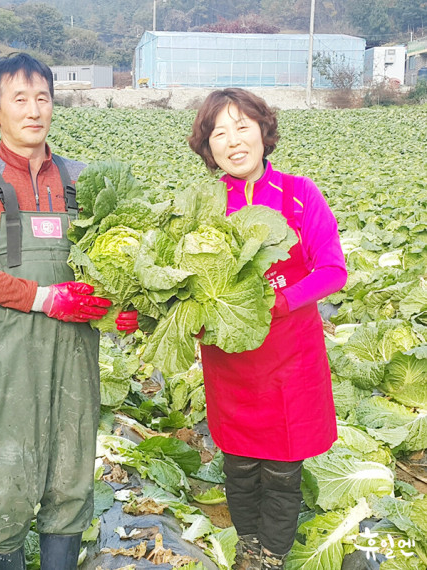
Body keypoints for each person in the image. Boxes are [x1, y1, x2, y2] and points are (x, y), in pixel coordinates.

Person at [0, 53, 138, 570]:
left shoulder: (82, 181)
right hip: (2, 352)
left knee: (71, 472)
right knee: (6, 476)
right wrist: (43, 297)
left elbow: (110, 263)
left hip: (73, 349)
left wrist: (118, 308)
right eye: (19, 99)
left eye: (43, 98)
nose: (34, 111)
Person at [188, 89, 347, 570]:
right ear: (208, 145)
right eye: (220, 132)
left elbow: (332, 271)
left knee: (282, 468)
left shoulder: (300, 193)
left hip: (291, 357)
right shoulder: (204, 207)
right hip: (229, 358)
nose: (233, 141)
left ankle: (273, 554)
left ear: (263, 131)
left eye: (242, 126)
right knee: (237, 464)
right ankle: (248, 546)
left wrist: (277, 302)